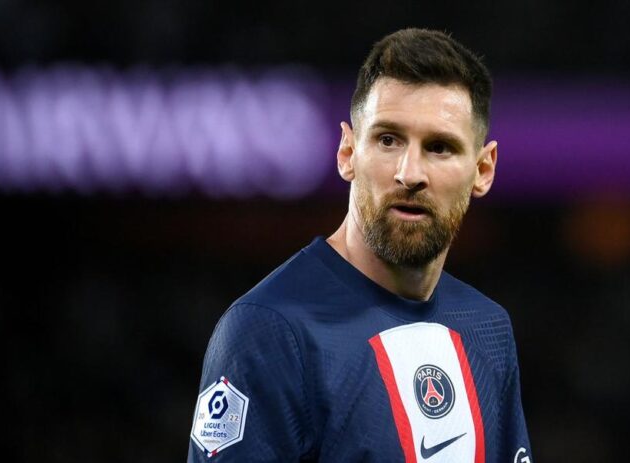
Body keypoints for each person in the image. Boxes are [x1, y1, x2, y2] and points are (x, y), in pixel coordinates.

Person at [188, 28, 532, 463]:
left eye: (439, 147)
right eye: (388, 140)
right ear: (348, 152)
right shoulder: (270, 330)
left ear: (483, 170)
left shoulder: (488, 328)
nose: (410, 173)